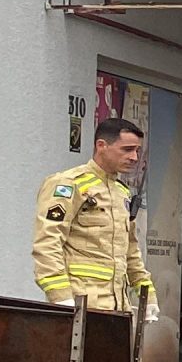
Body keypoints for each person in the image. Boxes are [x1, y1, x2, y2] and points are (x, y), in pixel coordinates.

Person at [32, 117, 155, 319]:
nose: (134, 157)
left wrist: (147, 295)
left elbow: (131, 250)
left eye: (137, 151)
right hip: (81, 303)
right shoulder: (69, 184)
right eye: (127, 149)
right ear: (101, 146)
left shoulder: (121, 192)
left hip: (118, 308)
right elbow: (47, 243)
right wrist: (60, 297)